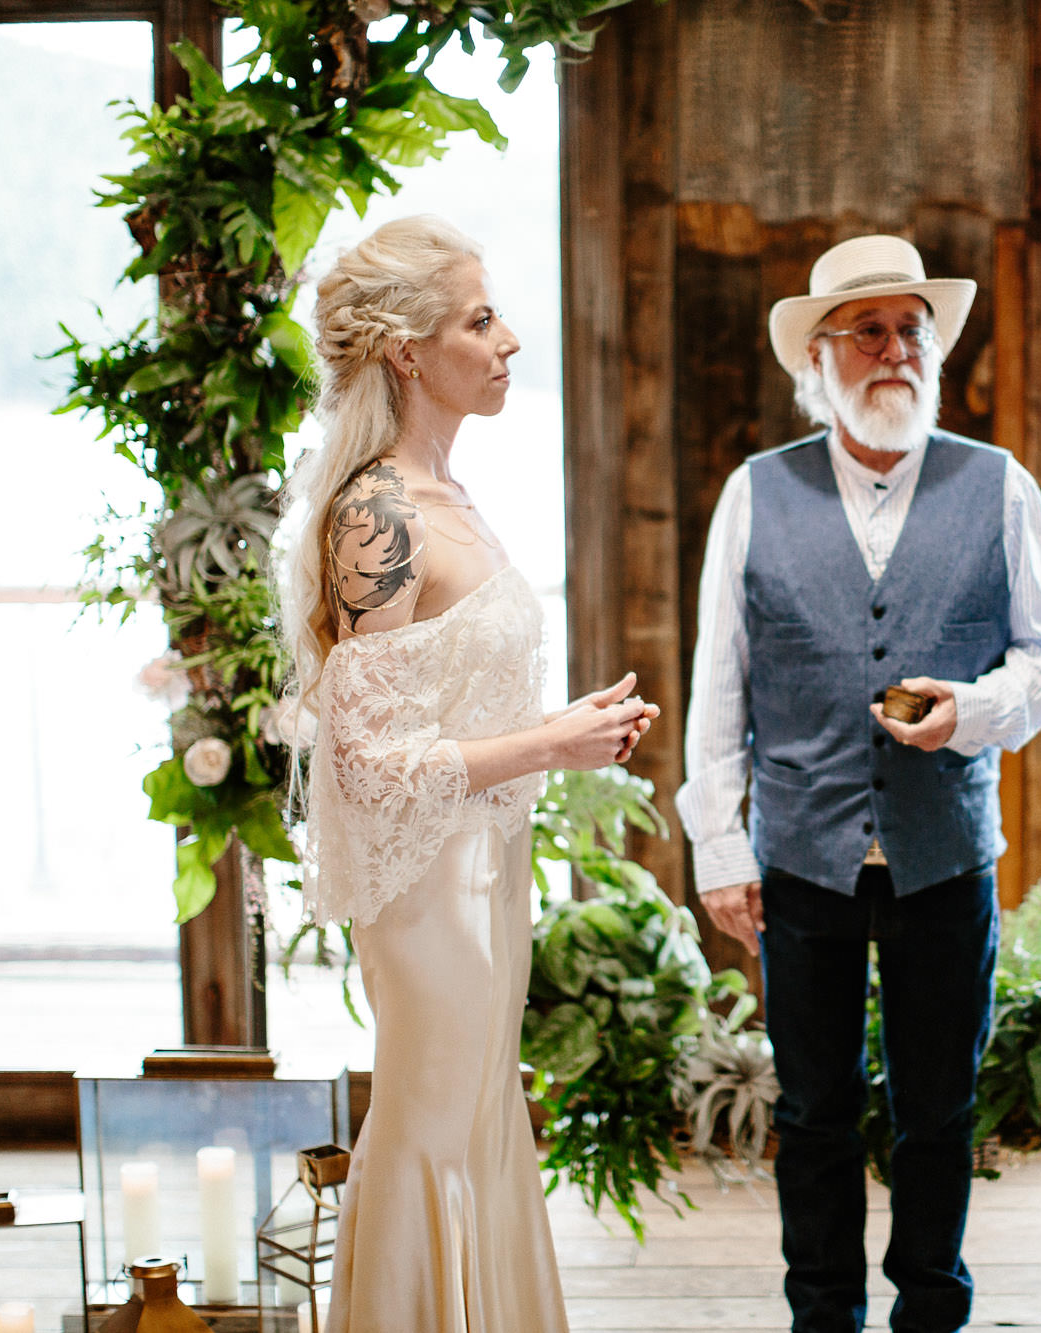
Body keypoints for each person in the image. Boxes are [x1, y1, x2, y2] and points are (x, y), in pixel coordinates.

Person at [677, 234, 1041, 1333]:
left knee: (936, 1112)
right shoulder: (753, 495)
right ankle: (821, 1314)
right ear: (819, 358)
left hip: (943, 858)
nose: (895, 350)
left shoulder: (996, 486)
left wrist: (977, 711)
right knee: (810, 1112)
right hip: (801, 860)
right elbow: (720, 686)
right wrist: (719, 847)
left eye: (913, 330)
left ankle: (929, 1310)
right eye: (869, 330)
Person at [275, 215, 658, 1333]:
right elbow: (366, 758)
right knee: (431, 1124)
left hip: (486, 867)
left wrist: (557, 722)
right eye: (478, 320)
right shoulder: (376, 511)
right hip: (428, 894)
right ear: (405, 348)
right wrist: (551, 746)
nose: (508, 341)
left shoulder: (447, 492)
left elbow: (439, 705)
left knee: (483, 1123)